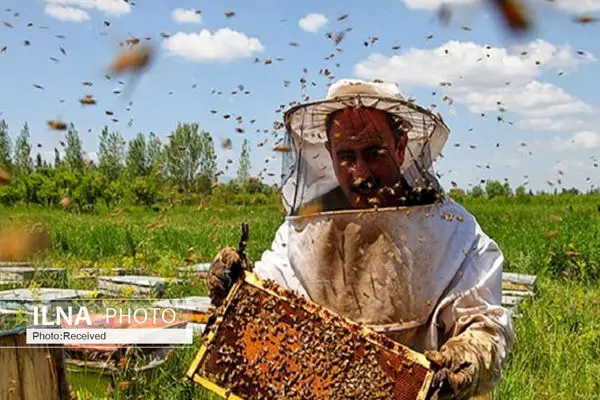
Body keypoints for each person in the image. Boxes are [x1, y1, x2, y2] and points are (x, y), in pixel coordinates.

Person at [208, 79, 514, 400]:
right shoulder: (302, 232)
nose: (360, 174)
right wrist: (236, 289)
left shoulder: (455, 231)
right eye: (346, 156)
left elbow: (486, 323)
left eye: (373, 153)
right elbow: (270, 296)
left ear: (400, 147)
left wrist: (468, 355)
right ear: (329, 153)